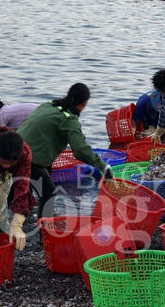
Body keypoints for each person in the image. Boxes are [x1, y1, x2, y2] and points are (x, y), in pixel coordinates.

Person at [18, 83, 113, 219]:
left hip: (14, 151)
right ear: (84, 103)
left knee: (24, 190)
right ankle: (45, 233)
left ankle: (22, 218)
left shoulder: (49, 105)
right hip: (29, 159)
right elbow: (80, 150)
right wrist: (103, 166)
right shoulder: (69, 120)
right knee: (49, 193)